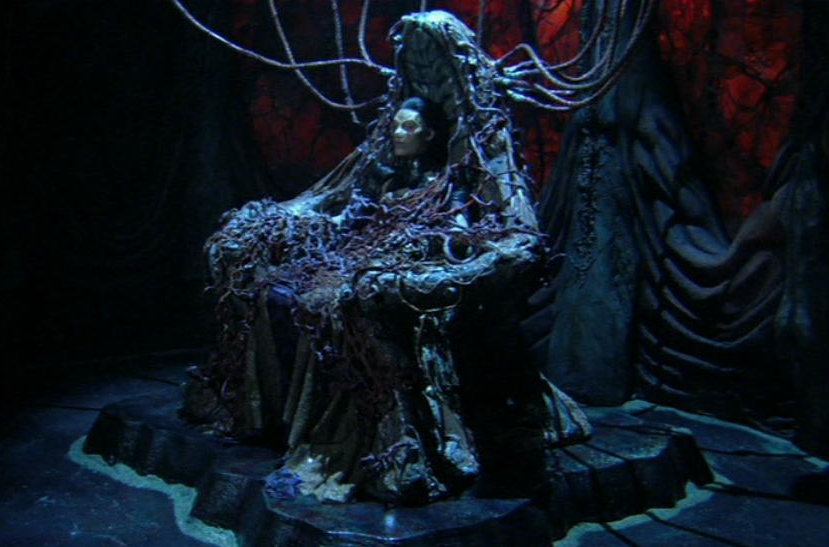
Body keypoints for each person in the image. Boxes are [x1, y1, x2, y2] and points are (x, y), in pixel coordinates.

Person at [183, 12, 591, 504]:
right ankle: (271, 417)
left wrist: (442, 256)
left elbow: (485, 236)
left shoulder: (455, 181)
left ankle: (386, 438)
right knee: (276, 286)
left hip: (406, 265)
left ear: (431, 134)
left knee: (340, 301)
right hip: (362, 253)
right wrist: (299, 223)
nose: (397, 134)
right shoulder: (382, 174)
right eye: (395, 125)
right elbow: (345, 212)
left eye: (408, 127)